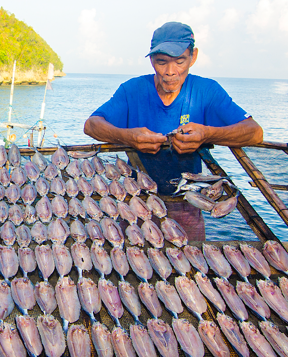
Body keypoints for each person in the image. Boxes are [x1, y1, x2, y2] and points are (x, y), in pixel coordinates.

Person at [83, 21, 263, 240]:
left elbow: (254, 132)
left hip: (188, 201)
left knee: (191, 262)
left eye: (180, 61)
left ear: (193, 57)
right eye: (161, 62)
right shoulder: (133, 90)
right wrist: (127, 136)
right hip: (136, 200)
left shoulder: (207, 91)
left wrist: (207, 134)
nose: (170, 71)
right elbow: (91, 125)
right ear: (151, 61)